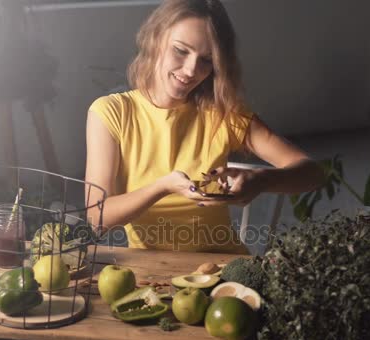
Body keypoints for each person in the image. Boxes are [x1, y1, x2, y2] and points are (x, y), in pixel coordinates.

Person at [85, 0, 324, 254]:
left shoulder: (224, 113)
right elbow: (97, 219)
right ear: (155, 39)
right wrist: (162, 187)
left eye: (206, 60)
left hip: (224, 268)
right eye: (180, 50)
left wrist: (261, 180)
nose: (191, 70)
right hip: (154, 273)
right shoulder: (112, 112)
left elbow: (313, 173)